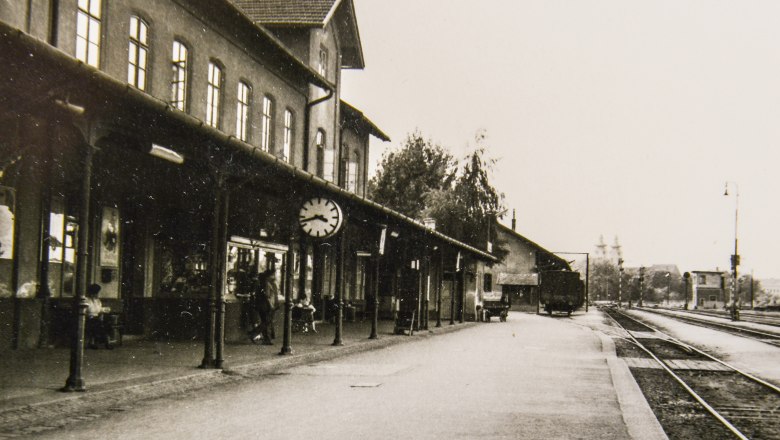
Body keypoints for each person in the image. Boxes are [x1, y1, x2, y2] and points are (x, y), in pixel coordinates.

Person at [248, 269, 276, 345]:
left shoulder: (261, 283)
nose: (273, 276)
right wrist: (271, 305)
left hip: (261, 306)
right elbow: (267, 296)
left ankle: (266, 339)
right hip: (265, 306)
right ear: (268, 276)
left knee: (265, 322)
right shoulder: (266, 284)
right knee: (266, 321)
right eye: (272, 275)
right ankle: (254, 333)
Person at [85, 284, 112, 349]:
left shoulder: (98, 301)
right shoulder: (86, 300)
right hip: (88, 318)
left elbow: (98, 310)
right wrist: (90, 315)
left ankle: (106, 343)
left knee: (106, 324)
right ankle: (102, 343)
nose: (97, 295)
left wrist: (104, 310)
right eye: (96, 293)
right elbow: (86, 311)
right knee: (98, 325)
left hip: (96, 318)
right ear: (92, 293)